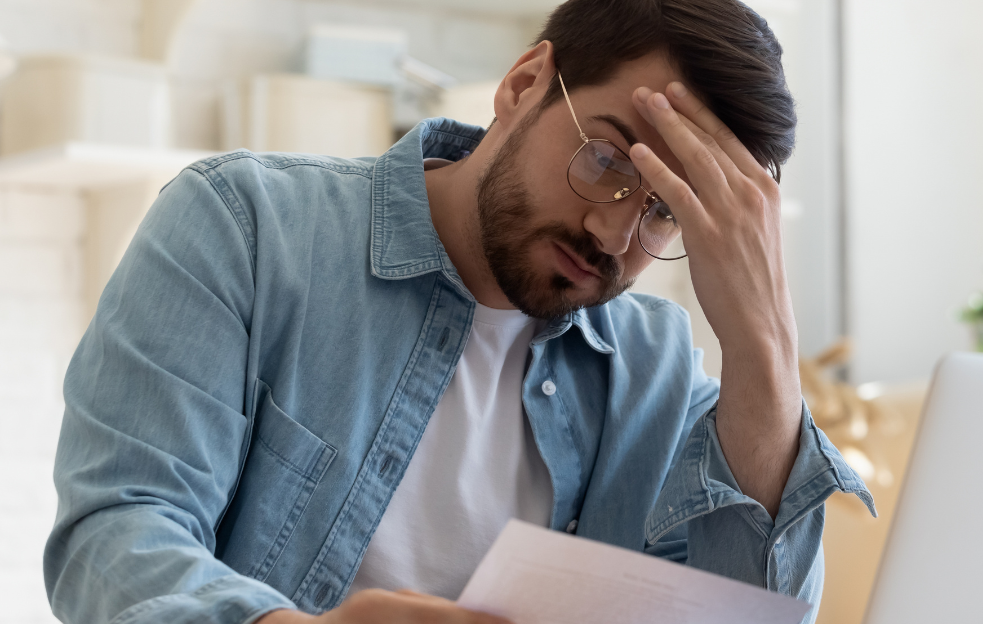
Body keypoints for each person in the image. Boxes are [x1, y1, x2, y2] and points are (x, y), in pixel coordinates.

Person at [44, 0, 874, 622]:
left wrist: (765, 344)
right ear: (523, 85)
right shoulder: (248, 229)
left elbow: (742, 612)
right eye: (607, 159)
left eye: (665, 211)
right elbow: (114, 534)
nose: (613, 233)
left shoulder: (652, 367)